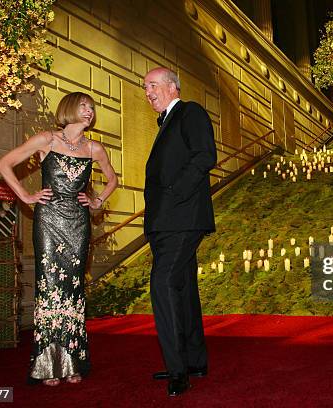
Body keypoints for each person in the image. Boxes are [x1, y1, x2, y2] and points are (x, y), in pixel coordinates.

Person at [0, 92, 118, 386]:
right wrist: (26, 196)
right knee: (50, 285)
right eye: (83, 106)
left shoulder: (93, 148)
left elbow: (113, 179)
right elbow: (4, 164)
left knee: (73, 289)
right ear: (68, 109)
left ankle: (72, 361)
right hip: (48, 221)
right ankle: (48, 363)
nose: (89, 111)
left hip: (78, 222)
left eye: (91, 107)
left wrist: (98, 200)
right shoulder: (47, 140)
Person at [142, 67, 217, 397]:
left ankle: (177, 371)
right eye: (145, 87)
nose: (147, 92)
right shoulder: (165, 124)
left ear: (173, 87)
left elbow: (205, 156)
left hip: (181, 218)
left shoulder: (190, 112)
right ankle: (194, 361)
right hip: (166, 222)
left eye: (153, 85)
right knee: (183, 287)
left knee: (162, 283)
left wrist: (173, 197)